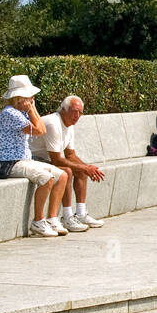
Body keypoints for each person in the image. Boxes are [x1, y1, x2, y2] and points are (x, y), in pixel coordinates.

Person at [0, 75, 70, 236]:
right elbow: (40, 131)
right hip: (9, 163)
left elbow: (40, 128)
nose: (33, 99)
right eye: (30, 97)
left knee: (62, 175)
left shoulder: (22, 112)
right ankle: (38, 222)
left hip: (24, 160)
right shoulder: (10, 113)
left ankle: (52, 219)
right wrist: (32, 109)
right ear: (20, 98)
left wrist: (31, 110)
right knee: (46, 178)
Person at [32, 95, 106, 231]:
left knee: (81, 170)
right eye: (74, 111)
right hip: (34, 159)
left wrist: (87, 168)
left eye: (80, 112)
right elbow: (56, 160)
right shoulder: (53, 123)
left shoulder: (69, 125)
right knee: (67, 171)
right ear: (63, 110)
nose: (77, 116)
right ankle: (67, 216)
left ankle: (81, 213)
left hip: (48, 160)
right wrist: (85, 168)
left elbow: (70, 155)